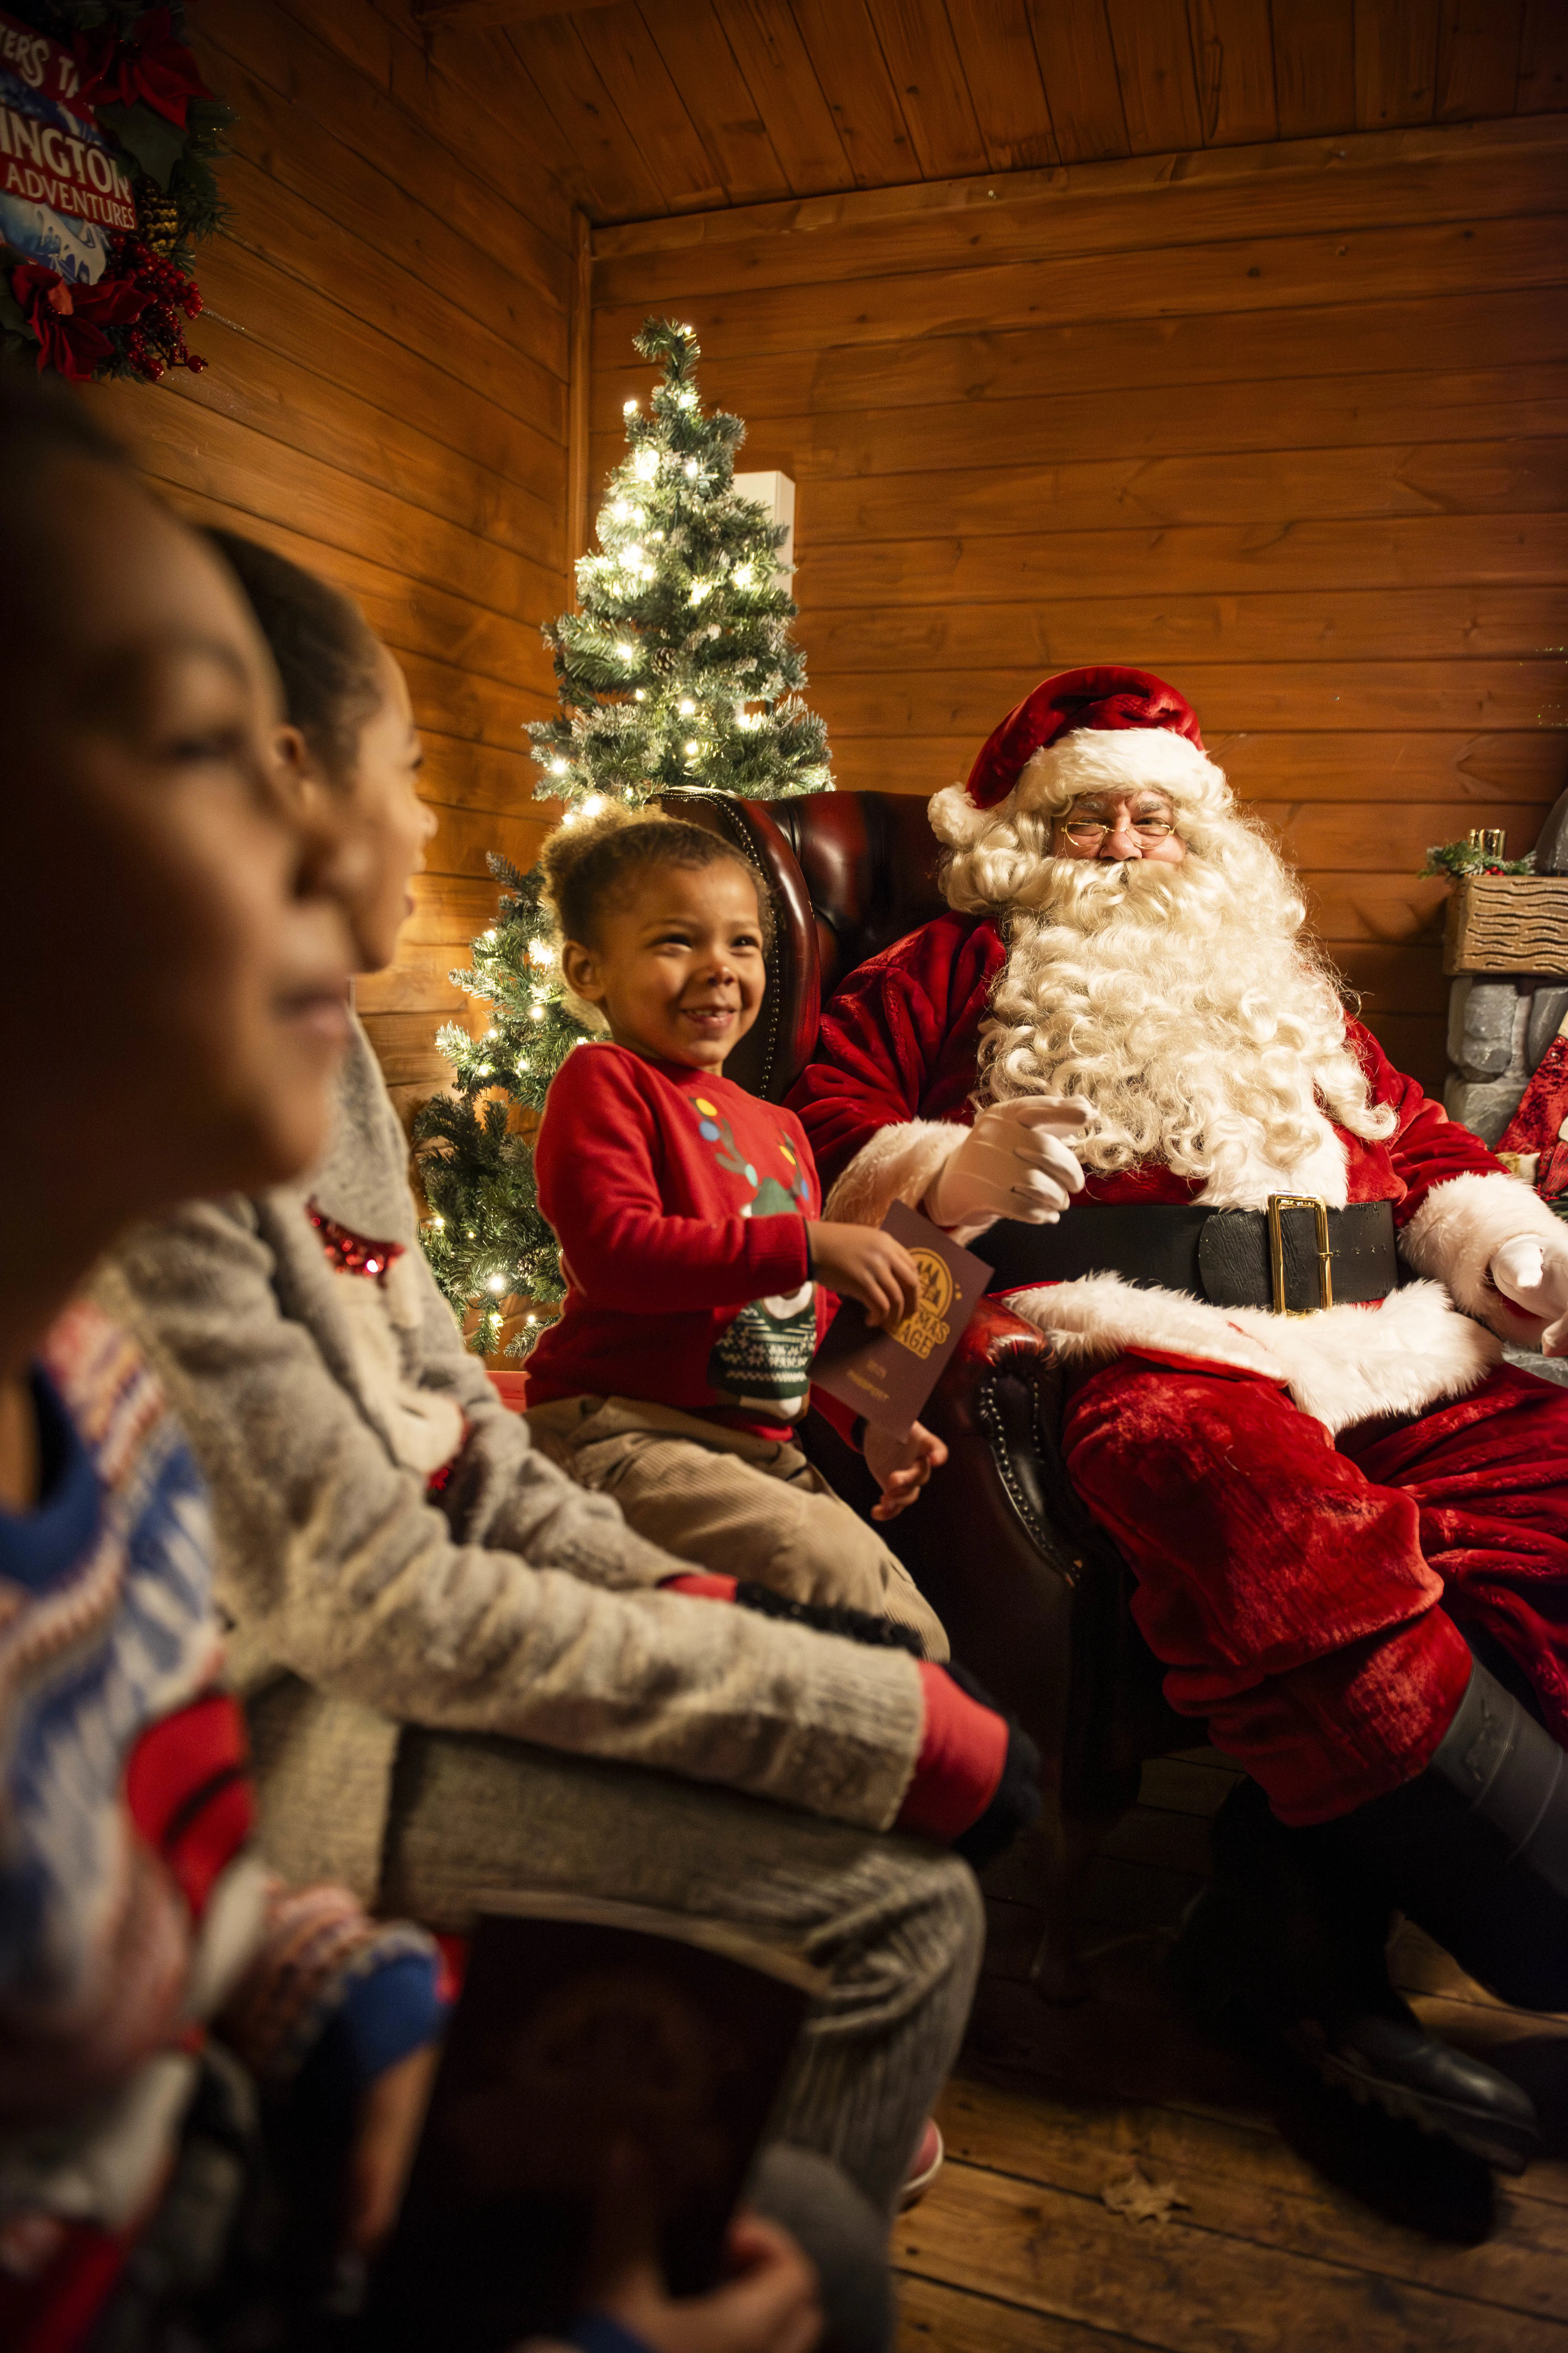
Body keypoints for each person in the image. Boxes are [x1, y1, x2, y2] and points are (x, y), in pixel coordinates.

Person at [95, 534, 1034, 2244]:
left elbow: (461, 1430)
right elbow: (366, 1581)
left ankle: (734, 2217)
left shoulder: (342, 1074)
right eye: (418, 770)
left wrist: (709, 1601)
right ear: (300, 783)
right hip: (313, 1724)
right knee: (894, 1912)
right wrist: (823, 1701)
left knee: (860, 1737)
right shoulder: (155, 1127)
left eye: (746, 945)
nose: (422, 817)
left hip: (542, 1560)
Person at [788, 663, 1568, 2176]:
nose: (1133, 843)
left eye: (1158, 816)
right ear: (1027, 835)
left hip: (1379, 1338)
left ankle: (1284, 1920)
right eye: (1094, 818)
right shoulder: (948, 971)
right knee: (1258, 1507)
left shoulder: (1274, 983)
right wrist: (950, 1171)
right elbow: (828, 1136)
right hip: (1129, 1345)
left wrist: (1495, 1237)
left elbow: (1414, 1142)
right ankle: (1542, 1927)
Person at [0, 377, 453, 2348]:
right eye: (200, 746)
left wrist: (338, 1990)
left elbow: (179, 1869)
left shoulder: (88, 1384)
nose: (334, 855)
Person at [521, 807, 949, 1656]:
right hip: (622, 1432)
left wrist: (878, 1416)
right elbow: (616, 1254)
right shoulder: (608, 1081)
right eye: (678, 941)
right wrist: (812, 1247)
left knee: (910, 1626)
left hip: (754, 1451)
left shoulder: (780, 1131)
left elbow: (788, 1320)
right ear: (588, 969)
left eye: (744, 944)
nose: (720, 968)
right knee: (841, 1590)